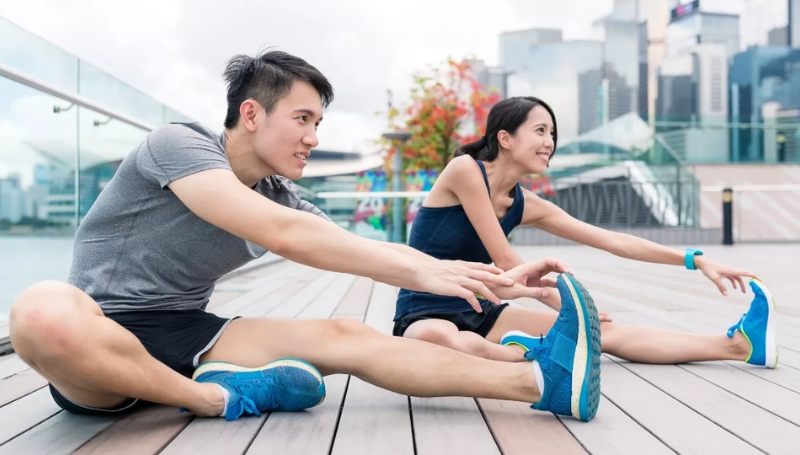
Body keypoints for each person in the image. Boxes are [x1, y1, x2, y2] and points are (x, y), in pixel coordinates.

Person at [8, 53, 602, 423]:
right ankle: (214, 398)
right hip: (95, 330)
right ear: (250, 114)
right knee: (40, 313)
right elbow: (283, 235)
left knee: (345, 334)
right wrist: (427, 274)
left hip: (183, 331)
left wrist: (484, 277)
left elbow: (356, 246)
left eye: (319, 122)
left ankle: (538, 381)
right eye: (303, 119)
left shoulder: (281, 194)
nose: (314, 137)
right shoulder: (177, 145)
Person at [394, 96, 778, 372]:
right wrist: (567, 305)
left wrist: (696, 259)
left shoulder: (525, 203)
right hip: (426, 310)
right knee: (438, 340)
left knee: (602, 333)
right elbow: (507, 261)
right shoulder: (465, 170)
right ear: (505, 138)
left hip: (482, 309)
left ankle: (738, 345)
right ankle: (532, 360)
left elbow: (613, 240)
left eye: (553, 133)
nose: (550, 142)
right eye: (540, 130)